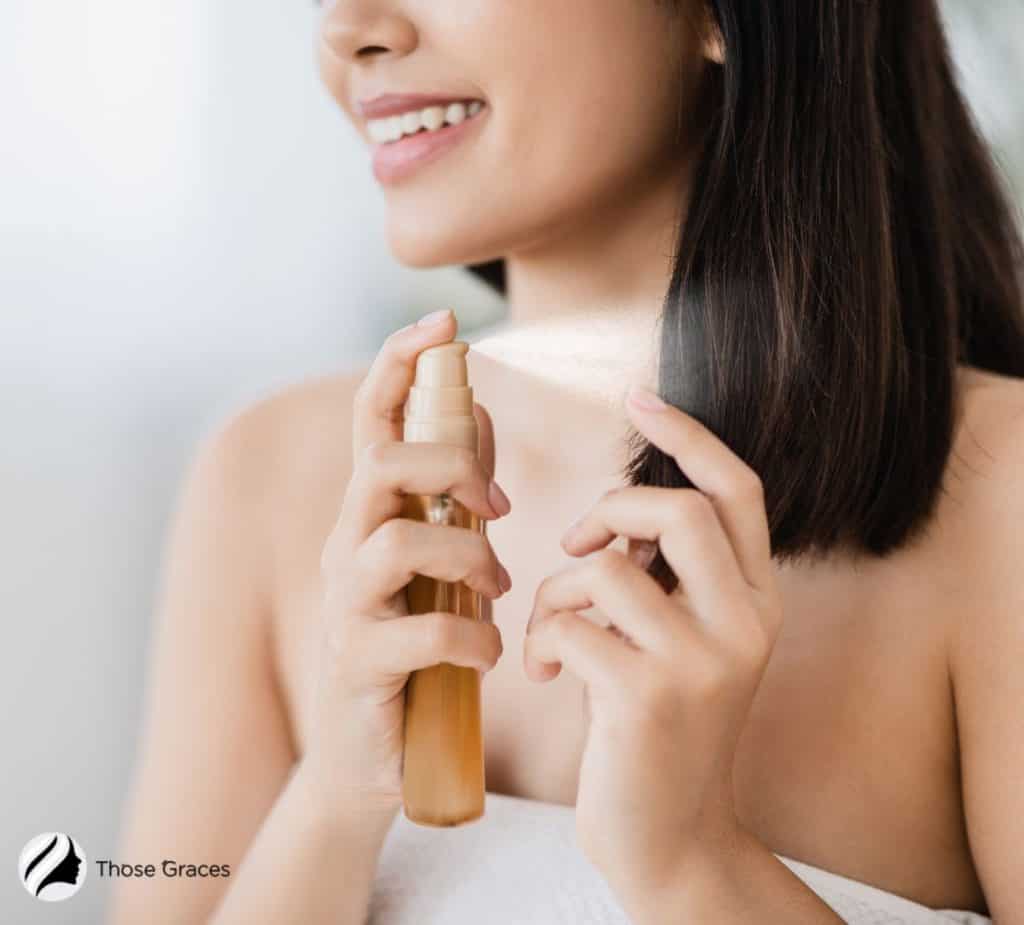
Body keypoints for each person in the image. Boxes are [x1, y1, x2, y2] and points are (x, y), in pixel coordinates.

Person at [111, 1, 1024, 922]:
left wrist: (689, 862)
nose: (349, 28)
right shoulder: (267, 474)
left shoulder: (999, 492)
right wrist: (331, 802)